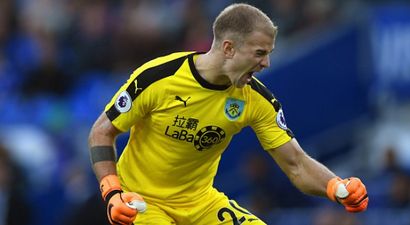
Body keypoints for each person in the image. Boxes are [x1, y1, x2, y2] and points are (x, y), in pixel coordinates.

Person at [88, 3, 368, 225]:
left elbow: (296, 163)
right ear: (228, 48)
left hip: (200, 203)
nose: (266, 63)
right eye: (259, 53)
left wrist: (336, 186)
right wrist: (113, 192)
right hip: (141, 201)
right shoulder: (158, 78)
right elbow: (102, 131)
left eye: (268, 53)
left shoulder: (256, 99)